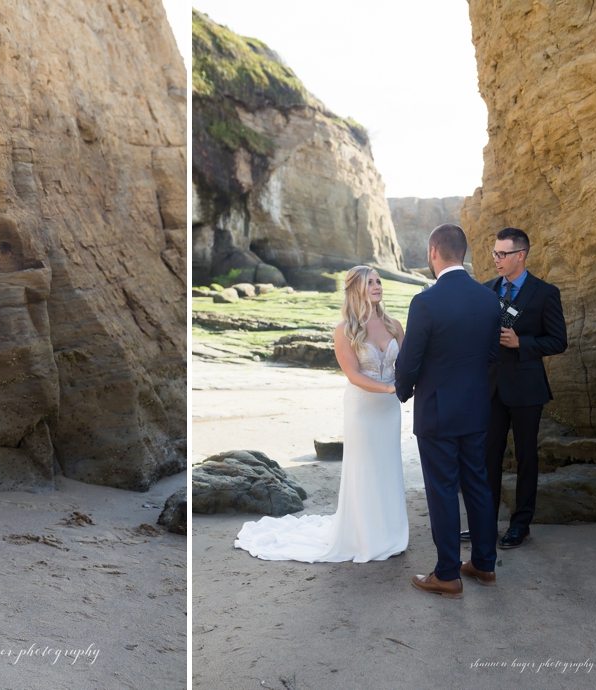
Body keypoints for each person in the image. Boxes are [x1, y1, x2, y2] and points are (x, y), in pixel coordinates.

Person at [232, 266, 408, 563]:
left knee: (389, 467)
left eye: (379, 281)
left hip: (389, 411)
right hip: (364, 410)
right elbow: (353, 374)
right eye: (370, 282)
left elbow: (405, 366)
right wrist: (391, 390)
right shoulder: (345, 330)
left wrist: (406, 385)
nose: (378, 286)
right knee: (365, 470)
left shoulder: (394, 326)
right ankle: (365, 537)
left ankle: (392, 534)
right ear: (356, 289)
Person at [395, 223, 501, 599]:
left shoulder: (425, 301)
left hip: (437, 412)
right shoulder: (490, 299)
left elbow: (409, 361)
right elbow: (491, 355)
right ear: (464, 252)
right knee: (478, 485)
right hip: (475, 409)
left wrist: (404, 392)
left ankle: (447, 575)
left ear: (433, 252)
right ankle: (485, 566)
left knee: (442, 491)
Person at [464, 227, 566, 549]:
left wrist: (523, 342)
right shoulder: (486, 290)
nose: (496, 259)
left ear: (520, 255)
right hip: (491, 388)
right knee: (487, 459)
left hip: (527, 389)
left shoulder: (545, 292)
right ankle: (484, 524)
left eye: (502, 254)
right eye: (494, 253)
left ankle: (520, 525)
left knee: (526, 458)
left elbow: (559, 341)